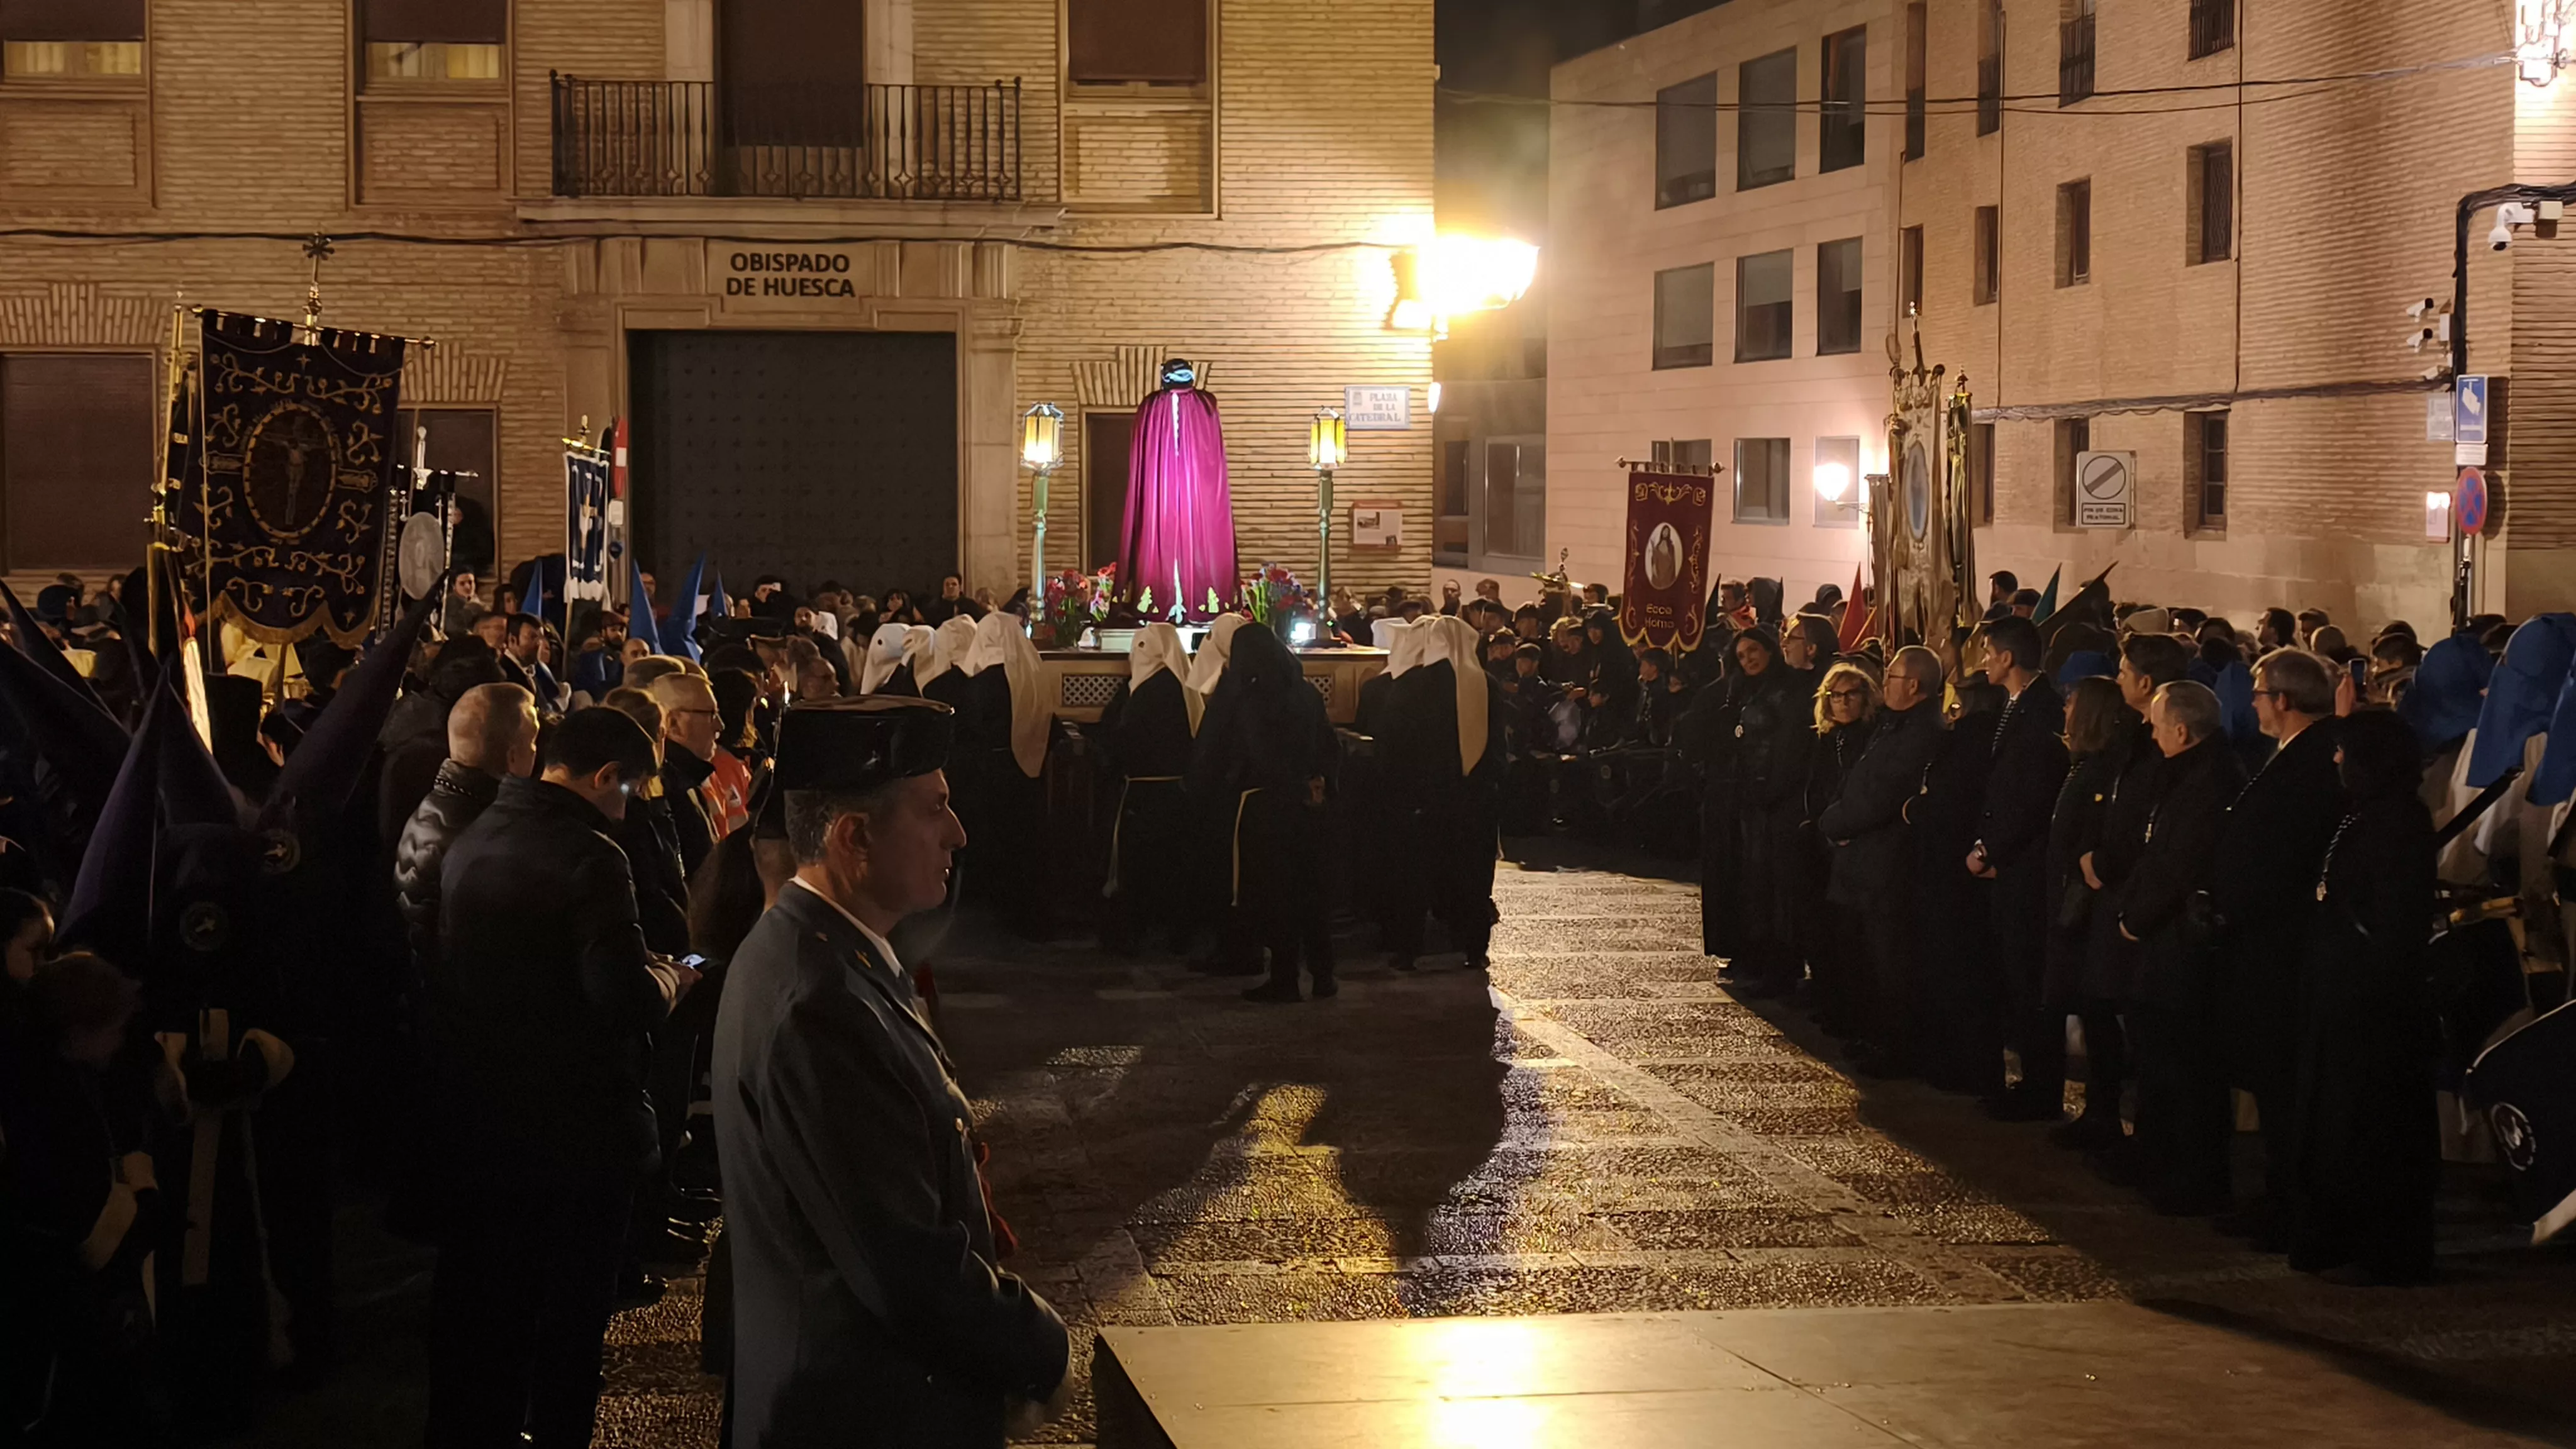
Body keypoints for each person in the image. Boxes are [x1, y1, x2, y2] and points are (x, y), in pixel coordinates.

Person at [711, 697, 1070, 1445]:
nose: (958, 833)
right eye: (934, 808)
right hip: (859, 1417)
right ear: (855, 838)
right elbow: (905, 1266)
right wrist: (1039, 1345)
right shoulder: (819, 1005)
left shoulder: (824, 952)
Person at [426, 708, 697, 1449]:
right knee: (573, 1324)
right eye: (627, 791)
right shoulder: (591, 856)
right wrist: (671, 980)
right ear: (606, 778)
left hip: (485, 1117)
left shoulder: (476, 832)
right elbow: (622, 999)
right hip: (578, 1127)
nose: (626, 808)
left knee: (494, 1312)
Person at [2289, 708, 2438, 1285]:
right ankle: (2338, 1233)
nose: (2335, 760)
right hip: (2341, 993)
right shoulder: (2364, 814)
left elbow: (2394, 919)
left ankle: (2384, 1247)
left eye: (2345, 751)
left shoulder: (2399, 821)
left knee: (2377, 1125)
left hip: (2375, 1003)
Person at [2210, 647, 2345, 1249]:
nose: (2255, 703)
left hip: (2281, 946)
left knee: (2287, 1084)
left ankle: (2293, 1203)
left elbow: (2285, 854)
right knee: (2273, 1080)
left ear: (2284, 701)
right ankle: (2281, 1195)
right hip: (2264, 941)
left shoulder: (2314, 763)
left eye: (2261, 693)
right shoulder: (2293, 755)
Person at [2114, 680, 2246, 1218]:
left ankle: (2191, 1177)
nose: (2150, 729)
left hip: (2179, 949)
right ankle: (2161, 1162)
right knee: (2160, 1062)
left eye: (2157, 722)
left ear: (2183, 731)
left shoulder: (2207, 783)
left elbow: (2178, 862)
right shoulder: (2188, 774)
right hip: (2163, 944)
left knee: (2185, 1068)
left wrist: (2136, 920)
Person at [1192, 625, 1339, 1001]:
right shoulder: (1305, 692)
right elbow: (1328, 743)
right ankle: (1324, 975)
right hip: (1310, 804)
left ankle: (1285, 978)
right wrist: (1316, 782)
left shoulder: (1245, 695)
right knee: (1312, 890)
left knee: (1276, 896)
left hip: (1264, 807)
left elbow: (1222, 747)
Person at [1968, 616, 2070, 1118]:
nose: (1984, 660)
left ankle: (2041, 1088)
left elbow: (2032, 798)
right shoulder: (2014, 706)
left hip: (2025, 870)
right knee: (2014, 977)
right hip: (2007, 862)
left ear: (2008, 658)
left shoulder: (2042, 712)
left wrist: (1993, 851)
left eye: (1988, 651)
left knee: (2030, 980)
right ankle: (2029, 1080)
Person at [1683, 627, 1812, 996]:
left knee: (1773, 888)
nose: (1749, 659)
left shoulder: (1789, 691)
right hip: (1741, 799)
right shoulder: (1737, 690)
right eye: (1741, 655)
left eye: (1754, 650)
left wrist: (1769, 791)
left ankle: (1778, 966)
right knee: (1747, 883)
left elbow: (1787, 747)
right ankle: (1750, 953)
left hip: (1774, 800)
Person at [394, 682, 540, 991]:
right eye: (533, 741)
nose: (536, 752)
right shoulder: (487, 831)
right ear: (513, 757)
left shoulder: (435, 804)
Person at [1379, 616, 1506, 972]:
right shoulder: (1486, 684)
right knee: (1473, 876)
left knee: (1417, 875)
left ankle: (1408, 950)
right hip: (1475, 800)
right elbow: (1498, 745)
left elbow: (1394, 745)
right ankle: (1474, 947)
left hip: (1423, 800)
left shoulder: (1411, 685)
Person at [2043, 677, 2133, 1150]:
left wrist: (2083, 859)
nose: (2065, 710)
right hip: (2073, 900)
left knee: (2098, 1013)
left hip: (2090, 905)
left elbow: (2094, 829)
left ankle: (2104, 1113)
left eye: (2072, 704)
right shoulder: (2084, 763)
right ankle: (2097, 1112)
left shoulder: (2101, 767)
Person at [1099, 624, 1195, 953]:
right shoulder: (1174, 685)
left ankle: (1135, 934)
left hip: (1146, 793)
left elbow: (1125, 738)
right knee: (1172, 866)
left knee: (1142, 867)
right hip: (1173, 793)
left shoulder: (1150, 691)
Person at [1801, 660, 1879, 1035]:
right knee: (1823, 930)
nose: (1843, 703)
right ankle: (1828, 1000)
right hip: (1822, 844)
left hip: (1854, 848)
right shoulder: (1824, 740)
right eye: (1835, 696)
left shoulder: (1872, 738)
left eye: (1851, 695)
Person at [650, 671, 728, 876]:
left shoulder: (689, 780)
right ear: (674, 723)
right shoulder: (664, 792)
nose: (720, 725)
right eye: (710, 714)